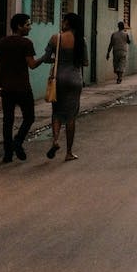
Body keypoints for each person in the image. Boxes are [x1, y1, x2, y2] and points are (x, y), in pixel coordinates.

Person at [0, 13, 44, 163]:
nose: (30, 27)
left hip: (7, 88)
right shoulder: (26, 43)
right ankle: (18, 141)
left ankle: (8, 154)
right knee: (29, 117)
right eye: (27, 25)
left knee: (8, 120)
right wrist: (44, 59)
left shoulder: (1, 43)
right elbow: (32, 65)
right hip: (23, 88)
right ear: (19, 26)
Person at [42, 12, 88, 161]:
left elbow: (47, 58)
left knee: (56, 112)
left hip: (58, 79)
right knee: (71, 116)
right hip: (75, 79)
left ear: (67, 23)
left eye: (64, 20)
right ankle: (68, 152)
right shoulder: (82, 41)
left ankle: (55, 141)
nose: (62, 22)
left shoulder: (56, 38)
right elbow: (85, 62)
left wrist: (57, 60)